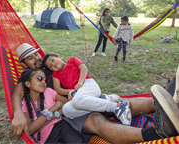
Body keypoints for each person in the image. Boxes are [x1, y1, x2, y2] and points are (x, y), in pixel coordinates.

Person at [11, 43, 178, 143]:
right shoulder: (27, 77)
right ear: (25, 65)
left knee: (122, 105)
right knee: (97, 122)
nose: (37, 58)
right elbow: (17, 94)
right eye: (31, 58)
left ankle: (169, 99)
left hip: (82, 95)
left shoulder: (49, 65)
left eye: (36, 54)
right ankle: (157, 133)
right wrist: (18, 112)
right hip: (68, 111)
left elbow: (73, 69)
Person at [42, 54, 132, 125]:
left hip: (87, 84)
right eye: (50, 66)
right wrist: (68, 91)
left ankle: (118, 107)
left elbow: (84, 68)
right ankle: (103, 100)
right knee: (66, 110)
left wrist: (80, 82)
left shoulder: (72, 60)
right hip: (78, 94)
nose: (53, 64)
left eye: (52, 60)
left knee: (77, 101)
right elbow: (57, 88)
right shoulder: (56, 75)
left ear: (60, 57)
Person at [20, 68, 84, 143]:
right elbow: (30, 130)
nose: (43, 82)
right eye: (39, 78)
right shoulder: (23, 103)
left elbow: (68, 104)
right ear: (28, 84)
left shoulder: (48, 92)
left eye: (45, 80)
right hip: (45, 138)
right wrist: (52, 109)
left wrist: (49, 118)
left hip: (60, 126)